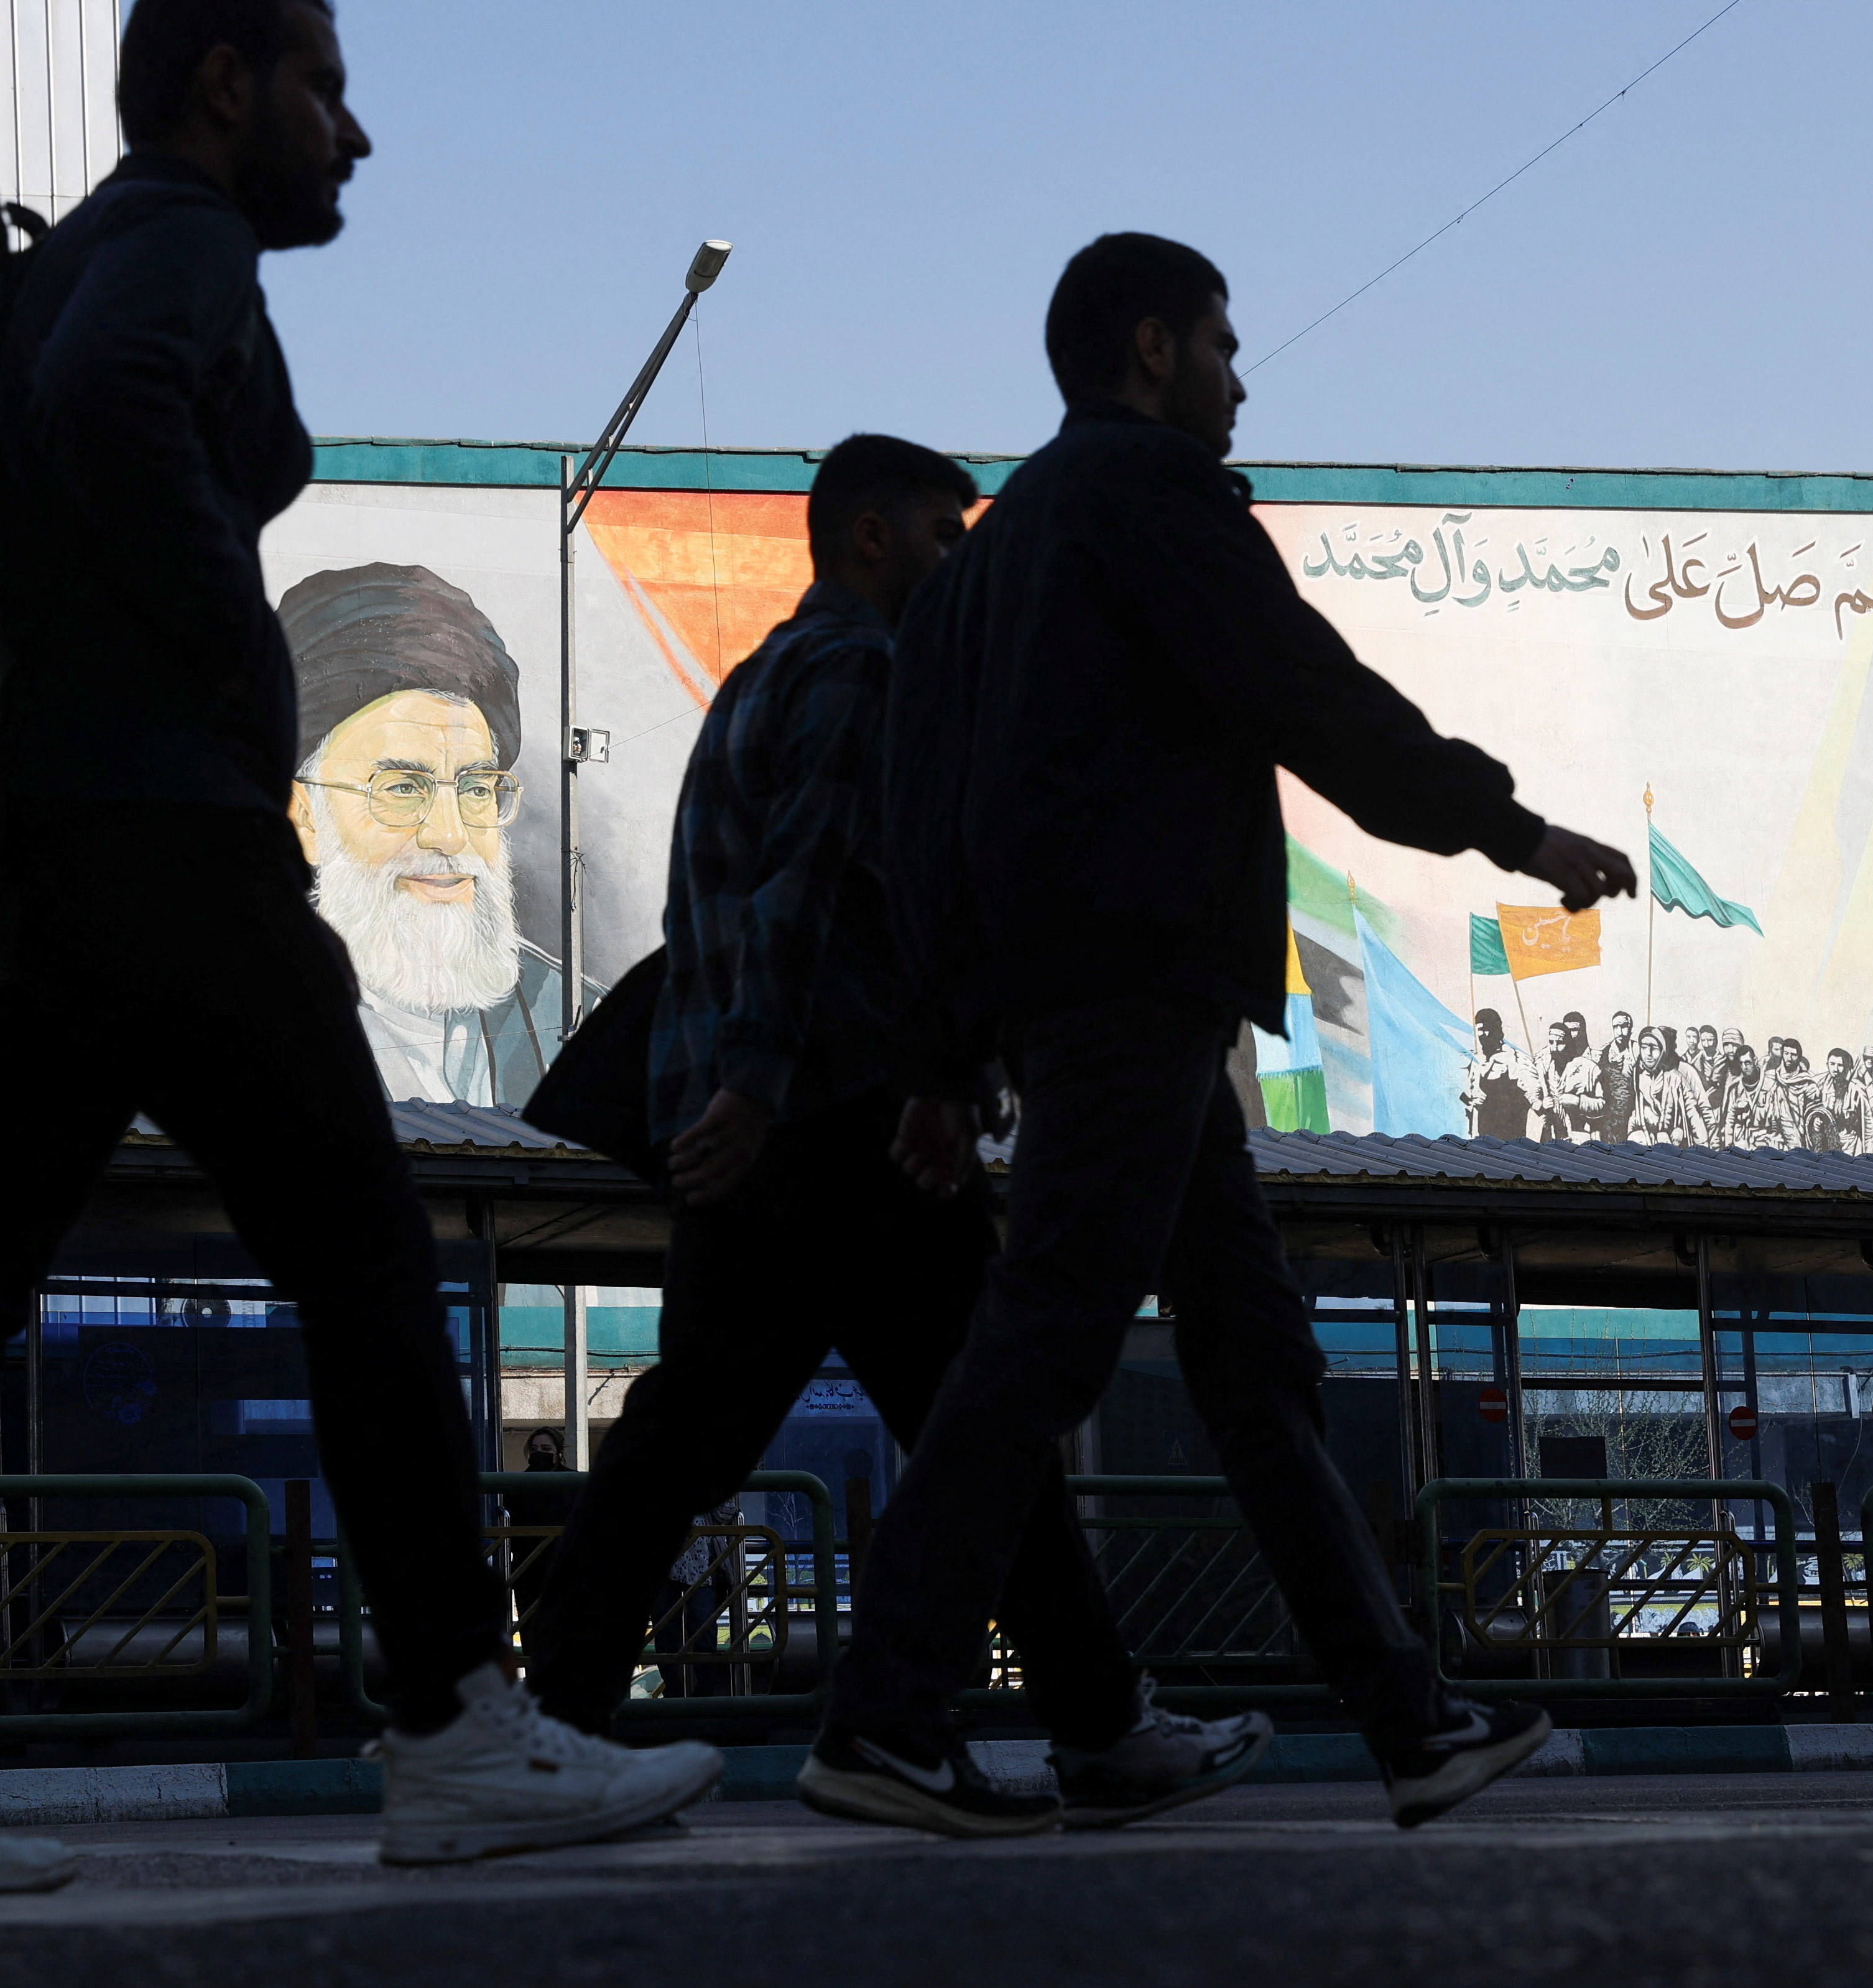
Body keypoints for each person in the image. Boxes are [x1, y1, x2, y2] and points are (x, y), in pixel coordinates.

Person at [0, 0, 718, 1898]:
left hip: (22, 862)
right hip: (156, 849)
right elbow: (111, 414)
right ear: (226, 84)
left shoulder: (83, 249)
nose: (354, 136)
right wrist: (231, 681)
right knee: (358, 1262)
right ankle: (451, 1728)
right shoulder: (170, 237)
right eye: (327, 88)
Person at [818, 232, 1638, 1835]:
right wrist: (1508, 832)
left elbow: (912, 820)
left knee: (1250, 1359)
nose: (1239, 377)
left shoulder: (982, 562)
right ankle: (882, 1710)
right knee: (1050, 1330)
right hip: (1136, 987)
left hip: (1093, 1003)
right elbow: (1306, 695)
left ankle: (1408, 1720)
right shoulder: (1148, 496)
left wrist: (936, 1052)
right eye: (1219, 343)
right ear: (1147, 350)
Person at [523, 435, 1272, 1829]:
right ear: (868, 538)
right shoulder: (866, 673)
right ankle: (1058, 1726)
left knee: (742, 1436)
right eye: (942, 534)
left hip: (770, 1123)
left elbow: (728, 919)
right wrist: (762, 1090)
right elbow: (810, 896)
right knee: (979, 1426)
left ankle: (555, 1720)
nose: (960, 563)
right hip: (829, 1123)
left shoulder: (753, 677)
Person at [279, 560, 575, 1104]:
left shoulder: (574, 1017)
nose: (450, 834)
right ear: (304, 817)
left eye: (476, 788)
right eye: (400, 788)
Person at [1462, 1007, 1536, 1139]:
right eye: (1480, 1030)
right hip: (1484, 1133)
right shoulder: (1476, 1061)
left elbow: (1531, 1091)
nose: (1484, 1034)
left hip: (1510, 1132)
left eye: (1488, 1029)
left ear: (1498, 1030)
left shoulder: (1515, 1058)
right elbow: (1472, 1092)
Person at [1540, 1012, 1604, 1142]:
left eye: (1560, 1043)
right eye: (1551, 1042)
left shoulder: (1590, 1068)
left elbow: (1603, 1105)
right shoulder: (1544, 1067)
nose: (1554, 1048)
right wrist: (1542, 1104)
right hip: (1554, 1140)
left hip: (1582, 1139)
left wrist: (1578, 1102)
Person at [1593, 1010, 1639, 1144]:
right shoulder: (1604, 1053)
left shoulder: (1637, 1050)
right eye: (1616, 1027)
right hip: (1611, 1110)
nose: (1620, 1031)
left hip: (1633, 1109)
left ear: (1630, 1029)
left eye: (1624, 1026)